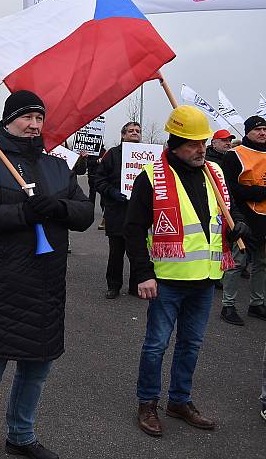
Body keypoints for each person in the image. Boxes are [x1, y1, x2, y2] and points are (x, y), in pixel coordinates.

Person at [0, 90, 93, 459]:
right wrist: (22, 214)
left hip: (46, 286)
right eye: (26, 117)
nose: (34, 125)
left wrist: (57, 207)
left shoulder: (57, 167)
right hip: (1, 283)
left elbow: (84, 214)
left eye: (39, 118)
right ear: (8, 120)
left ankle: (21, 435)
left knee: (36, 370)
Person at [125, 105, 247, 438]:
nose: (201, 149)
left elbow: (228, 211)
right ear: (175, 142)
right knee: (156, 346)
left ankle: (180, 401)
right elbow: (133, 229)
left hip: (206, 278)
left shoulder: (215, 172)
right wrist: (142, 273)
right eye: (193, 143)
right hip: (166, 280)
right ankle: (147, 403)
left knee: (190, 345)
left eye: (203, 141)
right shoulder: (151, 176)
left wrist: (239, 227)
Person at [219, 116, 266, 325]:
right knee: (237, 263)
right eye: (258, 130)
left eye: (265, 129)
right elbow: (229, 189)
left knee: (262, 263)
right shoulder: (234, 155)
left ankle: (257, 303)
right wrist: (260, 192)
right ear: (247, 132)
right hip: (244, 218)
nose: (263, 133)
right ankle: (227, 305)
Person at [94, 121, 141, 299]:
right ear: (123, 135)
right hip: (117, 211)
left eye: (137, 131)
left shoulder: (147, 156)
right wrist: (112, 192)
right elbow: (99, 180)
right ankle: (113, 286)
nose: (134, 133)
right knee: (116, 253)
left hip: (139, 213)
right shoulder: (112, 154)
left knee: (137, 252)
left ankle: (136, 286)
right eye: (130, 131)